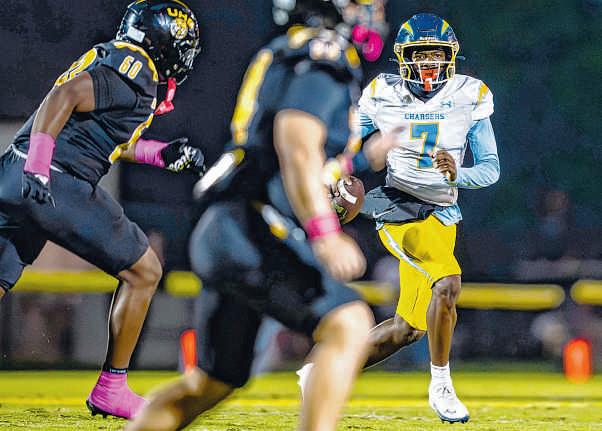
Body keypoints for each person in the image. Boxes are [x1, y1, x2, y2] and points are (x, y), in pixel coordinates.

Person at [126, 1, 389, 430]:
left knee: (209, 384)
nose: (373, 10)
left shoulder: (293, 50)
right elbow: (295, 140)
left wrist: (366, 157)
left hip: (226, 227)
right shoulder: (325, 55)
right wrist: (324, 232)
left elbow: (295, 153)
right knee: (349, 322)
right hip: (251, 226)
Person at [0, 0, 204, 420]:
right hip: (56, 177)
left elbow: (109, 139)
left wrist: (160, 154)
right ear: (162, 40)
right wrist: (40, 165)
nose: (184, 55)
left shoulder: (121, 64)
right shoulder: (137, 65)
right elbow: (65, 95)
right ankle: (112, 388)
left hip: (15, 172)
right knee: (144, 271)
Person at [298, 12, 500, 423]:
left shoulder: (469, 94)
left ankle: (324, 370)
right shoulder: (383, 93)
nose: (428, 63)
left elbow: (491, 169)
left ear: (450, 57)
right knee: (448, 283)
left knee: (407, 329)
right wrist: (331, 175)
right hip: (398, 206)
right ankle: (441, 385)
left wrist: (457, 174)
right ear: (404, 58)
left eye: (435, 54)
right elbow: (344, 142)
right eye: (420, 54)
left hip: (442, 214)